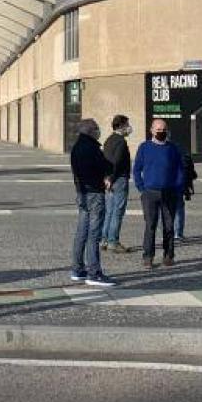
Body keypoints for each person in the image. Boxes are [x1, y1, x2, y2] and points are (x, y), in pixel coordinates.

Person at [69, 119, 115, 287]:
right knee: (94, 234)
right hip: (94, 193)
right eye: (96, 128)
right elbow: (104, 166)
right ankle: (94, 273)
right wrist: (108, 172)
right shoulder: (91, 148)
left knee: (82, 231)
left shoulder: (76, 147)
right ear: (90, 131)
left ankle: (77, 268)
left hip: (81, 192)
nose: (98, 131)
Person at [133, 118, 184, 268]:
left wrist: (178, 187)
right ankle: (148, 257)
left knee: (169, 227)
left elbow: (180, 169)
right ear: (151, 130)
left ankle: (168, 256)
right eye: (158, 130)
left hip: (169, 193)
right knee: (150, 226)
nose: (161, 132)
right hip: (150, 193)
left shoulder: (173, 148)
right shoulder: (144, 147)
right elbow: (136, 169)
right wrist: (141, 188)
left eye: (163, 130)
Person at [101, 115, 133, 253]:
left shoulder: (108, 140)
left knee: (109, 211)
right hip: (118, 179)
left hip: (109, 179)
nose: (129, 127)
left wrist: (106, 177)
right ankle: (113, 241)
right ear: (120, 126)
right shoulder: (120, 141)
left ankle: (104, 240)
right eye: (127, 124)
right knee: (118, 211)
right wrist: (112, 178)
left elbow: (105, 160)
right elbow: (117, 161)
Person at [175, 150, 197, 242]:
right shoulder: (183, 154)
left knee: (165, 209)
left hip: (166, 185)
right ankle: (178, 233)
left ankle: (168, 233)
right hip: (180, 186)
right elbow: (194, 175)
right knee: (179, 209)